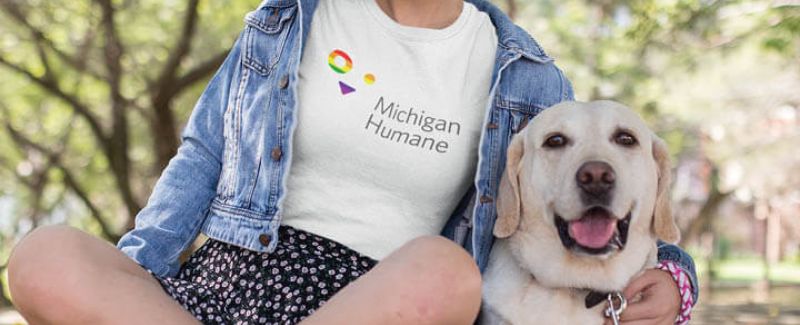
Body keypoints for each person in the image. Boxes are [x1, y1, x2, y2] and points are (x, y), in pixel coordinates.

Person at [7, 0, 697, 324]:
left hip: (382, 300)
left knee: (448, 270)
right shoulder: (289, 19)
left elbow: (596, 202)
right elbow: (204, 156)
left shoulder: (527, 77)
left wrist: (677, 275)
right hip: (220, 283)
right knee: (41, 254)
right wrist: (136, 273)